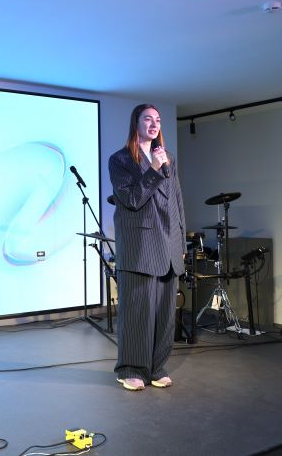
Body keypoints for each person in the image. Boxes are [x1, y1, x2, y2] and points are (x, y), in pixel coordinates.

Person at [109, 103, 186, 391]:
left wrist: (181, 242)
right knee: (137, 313)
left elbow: (176, 201)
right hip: (140, 247)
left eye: (158, 120)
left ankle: (156, 368)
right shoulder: (120, 160)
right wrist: (153, 169)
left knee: (165, 315)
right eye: (148, 119)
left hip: (169, 245)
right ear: (136, 123)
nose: (154, 124)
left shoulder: (168, 158)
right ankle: (130, 369)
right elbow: (132, 200)